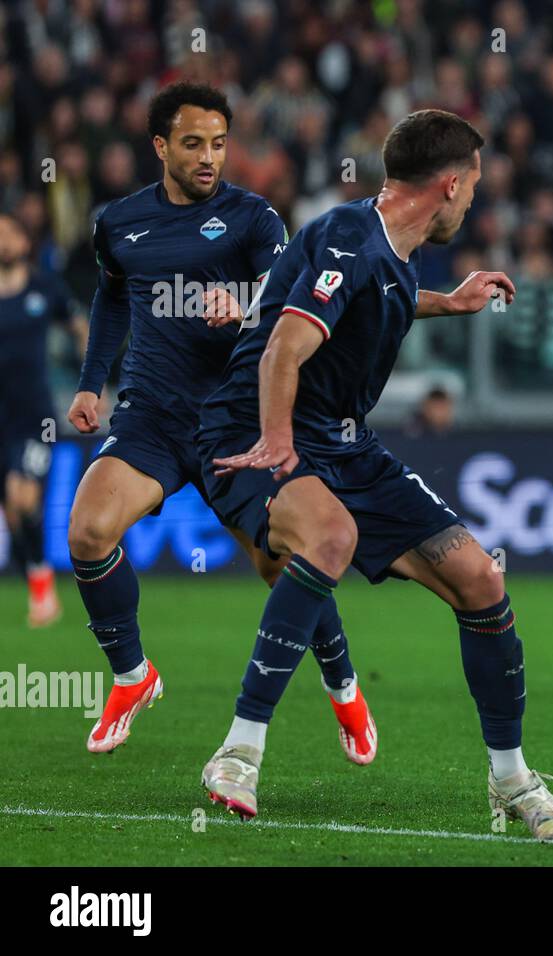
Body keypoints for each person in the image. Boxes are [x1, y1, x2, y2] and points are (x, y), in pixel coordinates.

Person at [195, 108, 553, 840]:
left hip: (344, 447)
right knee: (330, 536)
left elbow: (367, 300)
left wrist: (449, 302)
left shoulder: (386, 246)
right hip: (256, 430)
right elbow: (283, 348)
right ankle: (238, 752)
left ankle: (511, 781)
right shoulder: (352, 241)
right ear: (449, 184)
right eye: (471, 188)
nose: (471, 201)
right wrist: (277, 442)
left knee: (481, 580)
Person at [65, 82, 375, 759]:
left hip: (235, 420)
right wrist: (93, 385)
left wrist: (241, 303)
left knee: (284, 565)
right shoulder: (118, 223)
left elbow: (292, 295)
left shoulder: (254, 218)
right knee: (88, 532)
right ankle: (132, 675)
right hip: (151, 416)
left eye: (219, 143)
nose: (210, 157)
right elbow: (111, 300)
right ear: (160, 147)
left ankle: (343, 682)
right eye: (194, 144)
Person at [0, 212, 86, 627]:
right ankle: (40, 586)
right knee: (12, 512)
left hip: (34, 417)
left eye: (9, 233)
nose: (3, 241)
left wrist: (92, 379)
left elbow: (80, 326)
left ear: (24, 240)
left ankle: (42, 589)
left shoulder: (43, 287)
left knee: (23, 496)